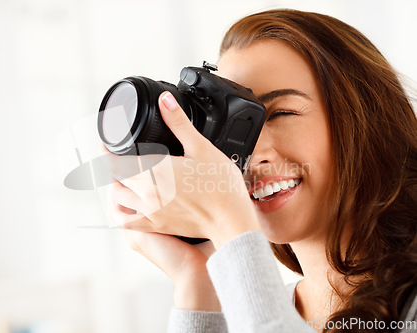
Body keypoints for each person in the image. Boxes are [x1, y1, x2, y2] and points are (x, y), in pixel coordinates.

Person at [107, 9, 417, 333]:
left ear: (367, 122)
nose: (251, 155)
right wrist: (197, 281)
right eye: (238, 125)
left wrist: (227, 224)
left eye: (281, 113)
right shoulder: (256, 315)